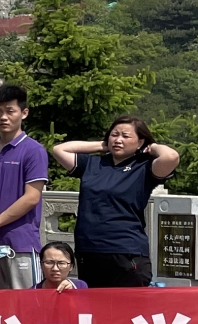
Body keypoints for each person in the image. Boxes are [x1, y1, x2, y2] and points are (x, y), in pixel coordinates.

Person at [51, 117, 181, 287]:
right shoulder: (92, 163)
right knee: (93, 303)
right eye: (114, 135)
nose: (118, 140)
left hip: (126, 251)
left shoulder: (144, 167)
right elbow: (58, 150)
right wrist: (101, 146)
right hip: (89, 250)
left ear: (140, 141)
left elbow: (171, 156)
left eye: (125, 136)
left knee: (128, 303)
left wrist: (152, 147)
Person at [0, 84, 51, 289]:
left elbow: (32, 197)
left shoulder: (34, 151)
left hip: (20, 244)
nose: (3, 117)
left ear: (24, 113)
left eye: (10, 111)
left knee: (26, 303)